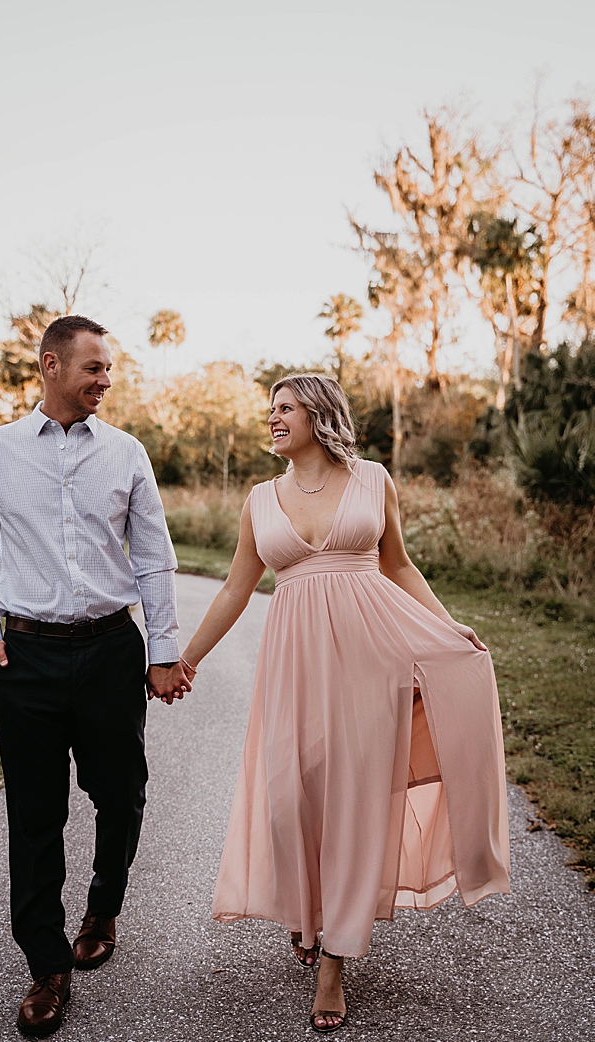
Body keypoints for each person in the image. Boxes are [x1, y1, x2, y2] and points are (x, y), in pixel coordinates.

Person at [179, 373, 509, 1033]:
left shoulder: (372, 479)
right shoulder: (259, 500)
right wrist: (186, 658)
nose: (272, 419)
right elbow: (235, 591)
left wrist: (445, 629)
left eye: (284, 408)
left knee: (354, 804)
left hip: (368, 663)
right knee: (287, 800)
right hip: (292, 668)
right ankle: (306, 913)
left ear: (318, 415)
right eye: (270, 409)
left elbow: (400, 565)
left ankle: (334, 959)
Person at [0, 314, 192, 1038]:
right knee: (34, 814)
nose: (106, 380)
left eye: (109, 369)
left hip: (110, 652)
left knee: (120, 793)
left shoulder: (126, 453)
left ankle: (103, 905)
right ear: (51, 366)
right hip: (23, 658)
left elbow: (153, 557)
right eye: (93, 367)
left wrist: (161, 651)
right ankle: (47, 966)